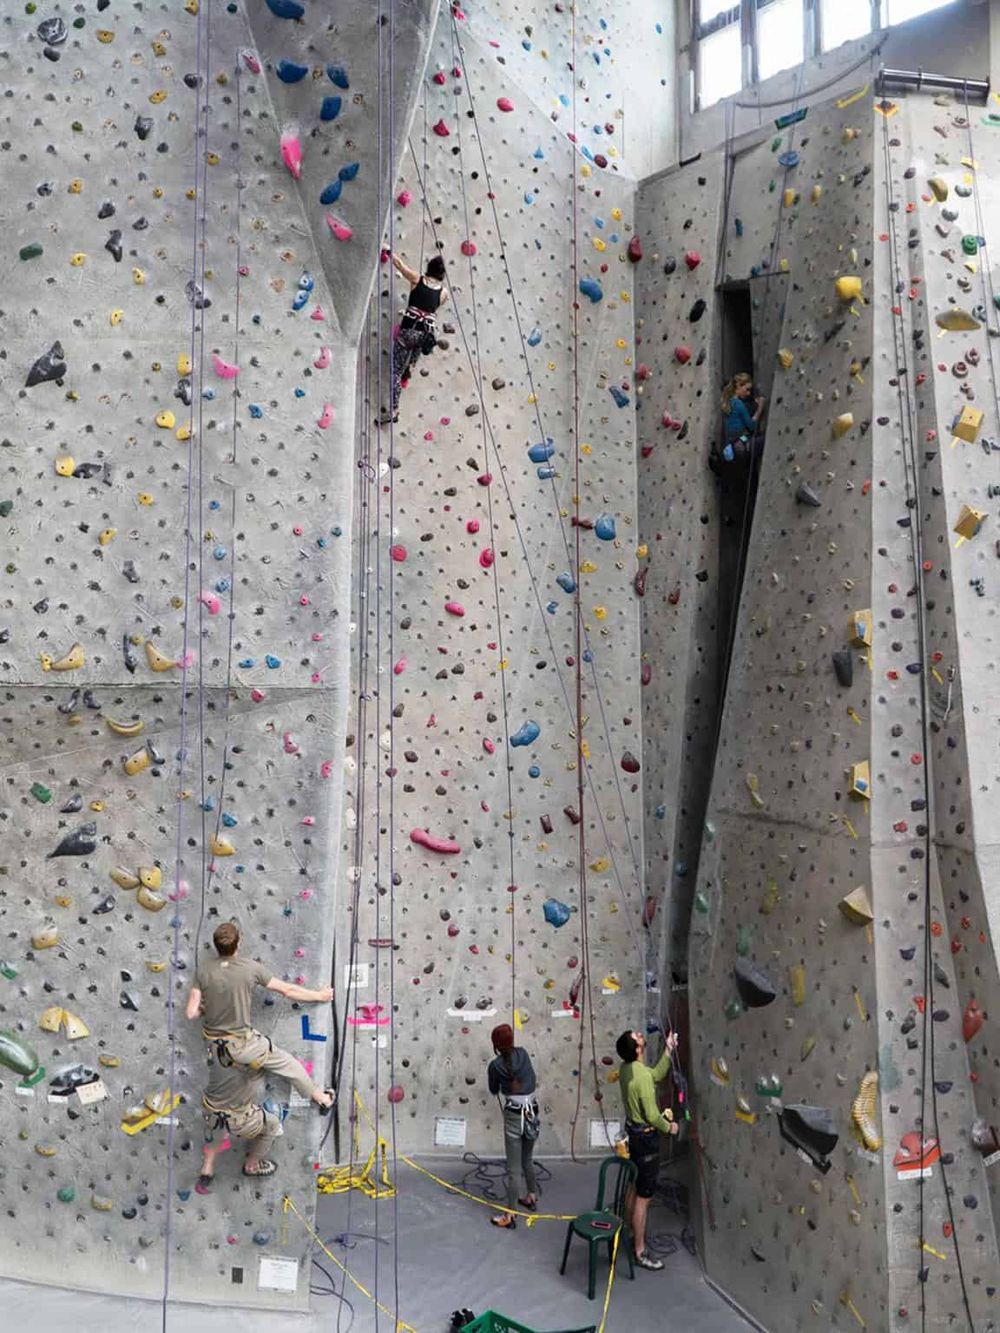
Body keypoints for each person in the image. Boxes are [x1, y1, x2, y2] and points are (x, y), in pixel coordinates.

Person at [185, 922, 335, 1111]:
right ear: (238, 944)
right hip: (243, 1044)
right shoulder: (250, 968)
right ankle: (323, 1099)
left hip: (215, 1049)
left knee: (244, 1084)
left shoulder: (203, 970)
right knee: (288, 1064)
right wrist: (320, 996)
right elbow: (287, 990)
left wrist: (208, 1008)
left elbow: (191, 1013)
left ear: (216, 946)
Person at [615, 1028, 680, 1272]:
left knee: (634, 1186)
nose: (640, 1034)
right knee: (644, 1197)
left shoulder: (628, 1069)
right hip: (646, 1140)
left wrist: (668, 1049)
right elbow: (653, 1115)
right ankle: (640, 1251)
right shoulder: (639, 1076)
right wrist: (670, 1127)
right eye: (637, 1037)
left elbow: (656, 1074)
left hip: (634, 1134)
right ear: (638, 1049)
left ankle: (631, 1231)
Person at [196, 1051, 284, 1190]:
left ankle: (207, 1168)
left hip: (213, 1111)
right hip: (236, 1117)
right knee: (272, 1123)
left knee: (216, 1127)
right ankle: (252, 1165)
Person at [379, 250, 448, 424]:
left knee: (395, 370)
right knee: (410, 359)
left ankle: (394, 409)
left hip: (409, 332)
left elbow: (400, 266)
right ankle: (408, 372)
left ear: (429, 268)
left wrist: (388, 250)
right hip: (426, 335)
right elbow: (431, 308)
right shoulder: (443, 293)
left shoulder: (418, 279)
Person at [486, 1023, 540, 1230]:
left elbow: (493, 1089)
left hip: (514, 1115)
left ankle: (510, 1215)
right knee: (527, 1159)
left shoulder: (495, 1065)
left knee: (513, 1168)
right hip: (532, 1110)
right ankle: (531, 1197)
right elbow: (531, 1078)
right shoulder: (524, 1054)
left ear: (496, 1045)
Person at [719, 372, 765, 464]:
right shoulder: (738, 404)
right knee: (766, 440)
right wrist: (760, 407)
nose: (748, 393)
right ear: (738, 386)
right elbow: (752, 426)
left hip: (735, 448)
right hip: (742, 446)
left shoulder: (728, 403)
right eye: (747, 389)